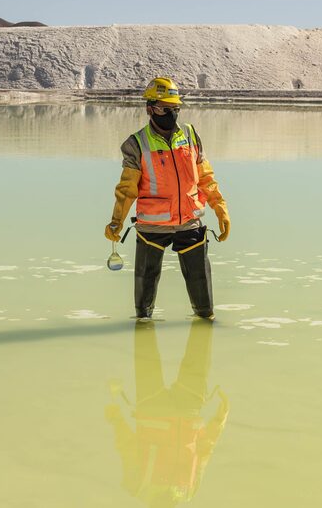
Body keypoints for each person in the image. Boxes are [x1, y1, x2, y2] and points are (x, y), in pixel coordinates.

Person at [104, 77, 230, 320]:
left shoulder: (191, 135)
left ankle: (205, 322)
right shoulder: (136, 144)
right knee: (144, 304)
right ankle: (143, 334)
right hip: (152, 227)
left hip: (189, 223)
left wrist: (220, 208)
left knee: (203, 299)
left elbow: (205, 177)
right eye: (165, 108)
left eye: (175, 108)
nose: (171, 114)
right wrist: (116, 221)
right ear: (149, 109)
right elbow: (127, 188)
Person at [104, 319, 229, 506]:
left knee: (145, 343)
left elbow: (128, 448)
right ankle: (202, 310)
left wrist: (116, 419)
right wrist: (219, 420)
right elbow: (203, 451)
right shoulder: (189, 491)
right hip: (188, 409)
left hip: (153, 408)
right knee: (200, 343)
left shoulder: (139, 487)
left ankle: (143, 312)